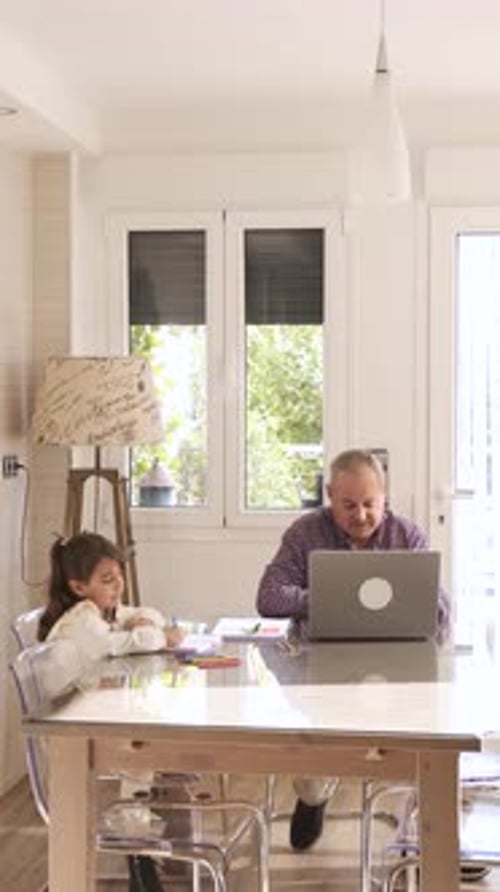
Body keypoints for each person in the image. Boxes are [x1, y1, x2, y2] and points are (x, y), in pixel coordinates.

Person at [257, 448, 450, 852]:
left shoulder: (407, 535)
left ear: (385, 497)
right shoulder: (304, 533)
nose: (360, 515)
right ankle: (313, 795)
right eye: (348, 505)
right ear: (329, 495)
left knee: (423, 740)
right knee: (314, 745)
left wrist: (423, 605)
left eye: (369, 504)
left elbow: (441, 610)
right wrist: (325, 597)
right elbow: (269, 597)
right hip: (319, 662)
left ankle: (419, 826)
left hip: (397, 665)